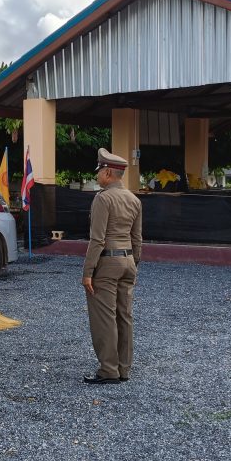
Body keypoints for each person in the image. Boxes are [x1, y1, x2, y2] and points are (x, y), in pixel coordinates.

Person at [81, 148, 143, 385]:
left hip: (107, 263)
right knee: (124, 316)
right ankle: (123, 369)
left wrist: (88, 272)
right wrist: (134, 263)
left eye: (99, 171)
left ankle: (108, 370)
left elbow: (97, 239)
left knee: (105, 318)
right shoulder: (134, 200)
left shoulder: (103, 198)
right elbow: (137, 238)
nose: (97, 176)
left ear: (107, 173)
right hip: (128, 261)